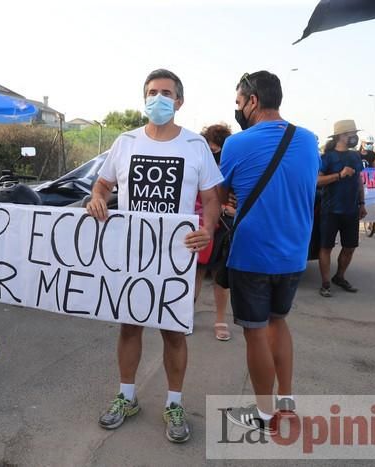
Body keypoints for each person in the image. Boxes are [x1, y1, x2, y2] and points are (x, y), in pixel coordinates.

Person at [86, 69, 221, 443]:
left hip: (176, 257)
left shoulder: (195, 147)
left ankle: (174, 403)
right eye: (151, 92)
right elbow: (103, 182)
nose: (158, 98)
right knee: (129, 327)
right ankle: (126, 397)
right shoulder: (125, 142)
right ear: (143, 98)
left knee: (174, 332)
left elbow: (212, 198)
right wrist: (97, 196)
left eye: (165, 93)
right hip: (133, 254)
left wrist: (207, 227)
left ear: (179, 101)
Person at [219, 71, 319, 433]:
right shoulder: (309, 140)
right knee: (279, 322)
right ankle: (287, 402)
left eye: (239, 102)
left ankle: (263, 415)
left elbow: (220, 194)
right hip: (293, 255)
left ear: (253, 101)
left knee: (255, 332)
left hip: (252, 254)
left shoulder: (236, 144)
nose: (238, 109)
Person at [316, 120, 367, 297]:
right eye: (351, 134)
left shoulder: (355, 157)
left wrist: (362, 203)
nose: (354, 137)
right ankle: (325, 283)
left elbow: (359, 180)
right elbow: (317, 181)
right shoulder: (327, 157)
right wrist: (339, 175)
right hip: (330, 210)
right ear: (341, 136)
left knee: (350, 246)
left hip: (351, 210)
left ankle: (340, 276)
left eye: (354, 133)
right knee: (326, 247)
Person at [196, 123, 234, 341]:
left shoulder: (231, 164)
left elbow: (239, 193)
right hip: (200, 223)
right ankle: (185, 315)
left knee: (220, 276)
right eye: (208, 147)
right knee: (196, 272)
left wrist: (230, 208)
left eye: (216, 149)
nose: (211, 152)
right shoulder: (197, 160)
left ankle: (220, 320)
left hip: (223, 226)